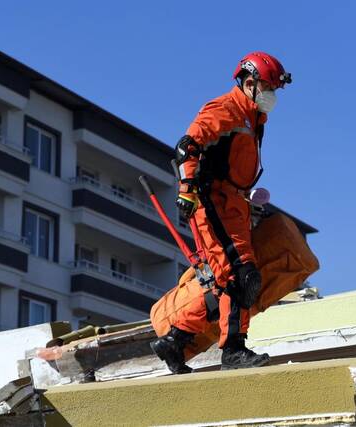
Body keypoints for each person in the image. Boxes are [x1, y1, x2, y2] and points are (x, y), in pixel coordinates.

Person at [151, 52, 292, 373]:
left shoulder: (252, 117)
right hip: (212, 201)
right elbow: (188, 146)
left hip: (235, 205)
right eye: (269, 88)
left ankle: (175, 340)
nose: (272, 96)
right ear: (250, 83)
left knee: (224, 282)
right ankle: (233, 350)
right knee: (241, 277)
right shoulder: (226, 109)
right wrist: (186, 190)